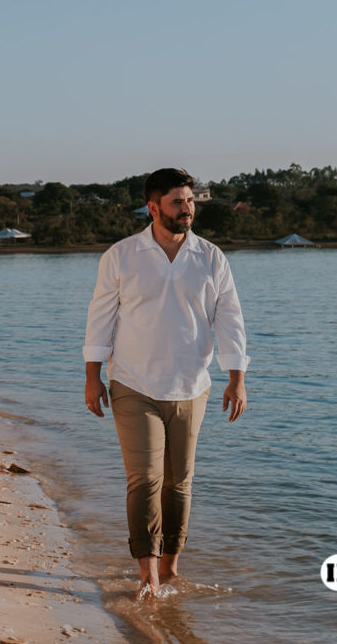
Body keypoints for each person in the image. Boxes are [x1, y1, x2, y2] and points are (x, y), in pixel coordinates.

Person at [82, 167, 249, 600]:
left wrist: (237, 378)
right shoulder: (121, 256)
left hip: (192, 385)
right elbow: (100, 318)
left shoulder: (211, 257)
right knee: (145, 480)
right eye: (178, 202)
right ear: (153, 207)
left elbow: (229, 318)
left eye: (191, 201)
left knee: (180, 483)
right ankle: (147, 575)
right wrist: (92, 377)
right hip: (133, 384)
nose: (187, 209)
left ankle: (172, 568)